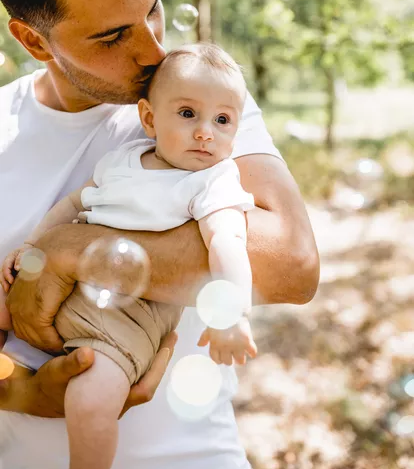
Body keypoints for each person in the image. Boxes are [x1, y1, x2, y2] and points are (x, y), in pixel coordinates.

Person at [0, 0, 319, 469]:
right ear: (35, 41)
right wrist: (18, 391)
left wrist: (69, 250)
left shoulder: (198, 105)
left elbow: (295, 263)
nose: (153, 50)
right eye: (111, 37)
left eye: (153, 9)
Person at [1, 44, 259, 469]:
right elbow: (74, 202)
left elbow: (227, 243)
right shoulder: (123, 159)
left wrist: (231, 314)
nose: (205, 132)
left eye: (223, 120)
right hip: (62, 286)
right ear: (149, 119)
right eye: (188, 114)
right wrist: (32, 246)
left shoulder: (212, 181)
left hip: (130, 315)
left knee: (90, 400)